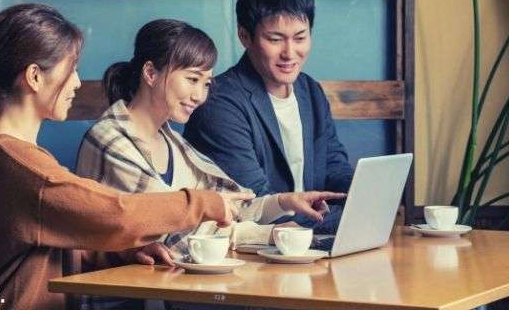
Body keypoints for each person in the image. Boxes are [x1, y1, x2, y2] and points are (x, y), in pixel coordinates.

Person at [0, 4, 249, 310]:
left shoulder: (13, 156)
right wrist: (203, 202)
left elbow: (53, 245)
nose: (77, 82)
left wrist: (121, 254)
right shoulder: (16, 163)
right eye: (71, 69)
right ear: (35, 77)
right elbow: (116, 214)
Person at [76, 19, 346, 260]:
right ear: (150, 73)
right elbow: (177, 234)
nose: (199, 96)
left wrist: (284, 202)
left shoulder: (172, 143)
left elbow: (226, 203)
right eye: (192, 79)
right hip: (120, 297)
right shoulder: (110, 141)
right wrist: (272, 234)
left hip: (167, 289)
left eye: (205, 84)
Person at [184, 0, 355, 233]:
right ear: (245, 36)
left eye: (300, 37)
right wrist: (346, 219)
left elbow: (333, 167)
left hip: (308, 244)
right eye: (275, 39)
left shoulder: (310, 91)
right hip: (254, 250)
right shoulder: (219, 103)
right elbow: (256, 205)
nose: (290, 53)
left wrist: (367, 196)